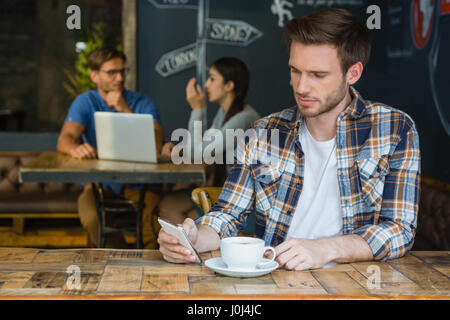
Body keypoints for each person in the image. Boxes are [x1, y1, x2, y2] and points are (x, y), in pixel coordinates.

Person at [157, 8, 421, 270]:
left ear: (353, 73)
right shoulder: (262, 132)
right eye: (296, 71)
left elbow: (399, 230)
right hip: (277, 284)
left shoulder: (394, 129)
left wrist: (326, 247)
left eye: (318, 75)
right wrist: (192, 237)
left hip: (357, 285)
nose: (302, 87)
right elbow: (228, 215)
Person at [57, 47, 164, 248]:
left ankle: (147, 270)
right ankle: (123, 260)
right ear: (94, 76)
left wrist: (124, 109)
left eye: (122, 71)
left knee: (152, 232)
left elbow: (157, 146)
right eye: (111, 72)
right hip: (100, 184)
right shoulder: (86, 101)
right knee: (91, 218)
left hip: (142, 184)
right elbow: (65, 138)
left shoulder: (143, 102)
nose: (120, 77)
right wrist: (75, 149)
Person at [158, 57, 260, 224]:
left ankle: (202, 245)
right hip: (229, 193)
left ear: (229, 85)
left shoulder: (243, 119)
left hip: (243, 201)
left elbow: (198, 153)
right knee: (184, 210)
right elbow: (203, 146)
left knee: (168, 206)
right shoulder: (225, 113)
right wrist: (179, 148)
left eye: (212, 78)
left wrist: (198, 109)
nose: (206, 85)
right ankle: (202, 246)